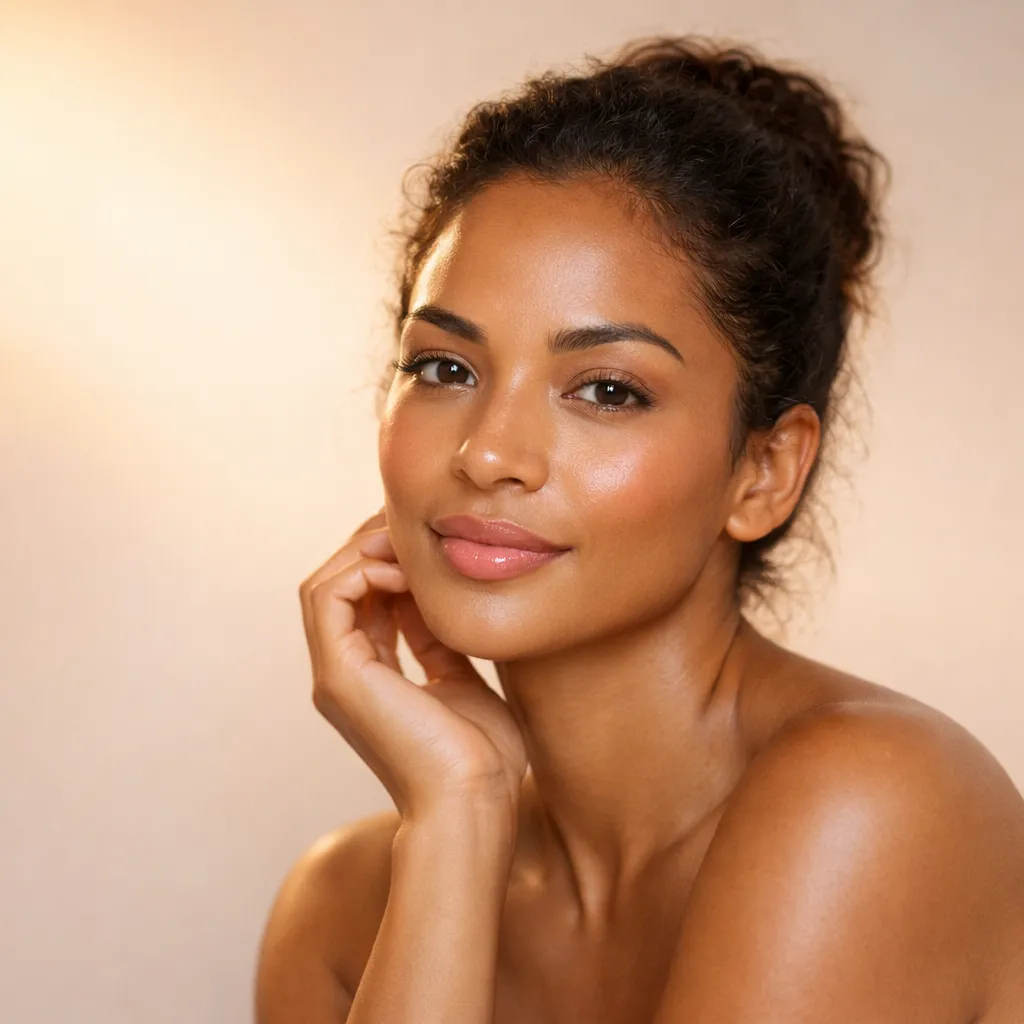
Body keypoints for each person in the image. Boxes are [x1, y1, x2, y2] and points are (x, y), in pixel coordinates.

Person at [255, 35, 1024, 1023]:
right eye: (445, 368)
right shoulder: (341, 911)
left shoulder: (874, 801)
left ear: (762, 470)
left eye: (608, 389)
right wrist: (458, 815)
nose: (489, 454)